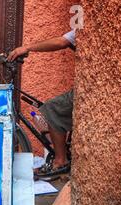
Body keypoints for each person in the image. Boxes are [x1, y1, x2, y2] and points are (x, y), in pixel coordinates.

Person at [8, 30, 76, 178]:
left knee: (52, 107)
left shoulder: (84, 27)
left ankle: (60, 161)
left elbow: (61, 41)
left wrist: (27, 48)